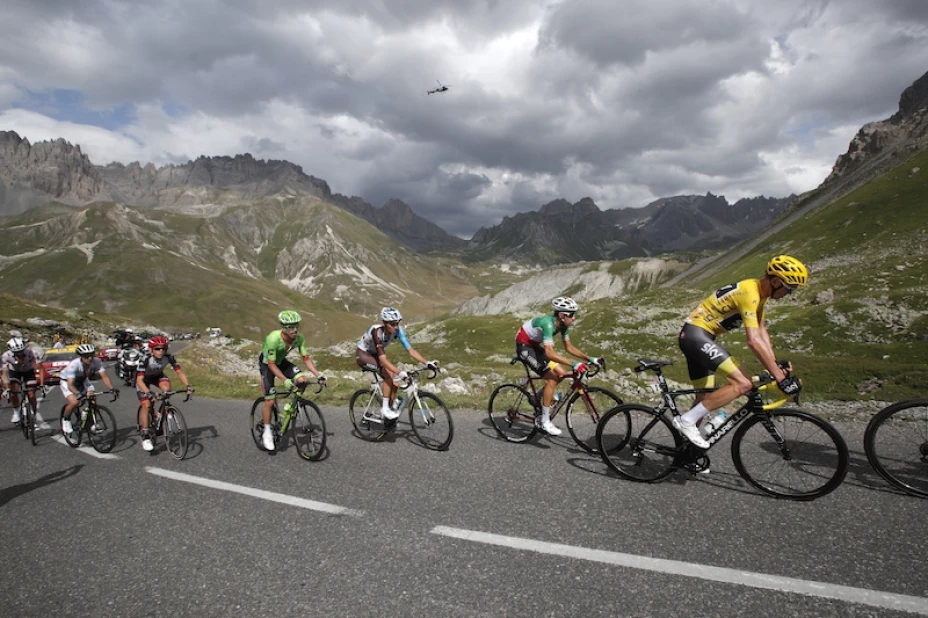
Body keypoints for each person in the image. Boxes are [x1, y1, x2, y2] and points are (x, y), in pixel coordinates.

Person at [673, 254, 808, 449]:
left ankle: (685, 452)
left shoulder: (759, 294)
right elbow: (753, 341)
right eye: (789, 288)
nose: (790, 294)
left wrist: (775, 365)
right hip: (696, 336)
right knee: (743, 383)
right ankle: (686, 421)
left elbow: (761, 332)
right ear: (776, 282)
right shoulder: (750, 293)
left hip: (697, 337)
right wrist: (780, 378)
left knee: (705, 397)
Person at [514, 297, 605, 436]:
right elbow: (549, 353)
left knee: (561, 373)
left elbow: (569, 347)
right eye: (571, 315)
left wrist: (590, 358)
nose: (574, 318)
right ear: (562, 315)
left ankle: (536, 398)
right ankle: (545, 421)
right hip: (524, 347)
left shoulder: (563, 325)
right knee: (551, 379)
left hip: (534, 346)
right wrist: (574, 363)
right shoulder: (548, 324)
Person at [258, 311, 326, 451]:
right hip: (267, 364)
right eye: (290, 327)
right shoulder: (273, 339)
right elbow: (271, 365)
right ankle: (267, 431)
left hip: (281, 362)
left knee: (302, 380)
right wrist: (284, 380)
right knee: (270, 401)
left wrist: (318, 374)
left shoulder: (299, 338)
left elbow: (306, 359)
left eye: (296, 326)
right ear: (283, 328)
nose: (294, 330)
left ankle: (290, 407)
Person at [355, 307, 439, 421]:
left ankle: (391, 407)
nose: (395, 327)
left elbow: (410, 350)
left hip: (375, 355)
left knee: (394, 381)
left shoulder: (398, 331)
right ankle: (385, 409)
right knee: (389, 375)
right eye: (392, 324)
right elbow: (383, 360)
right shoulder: (376, 332)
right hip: (363, 355)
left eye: (397, 324)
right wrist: (400, 372)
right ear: (385, 323)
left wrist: (427, 363)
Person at [136, 335, 193, 452]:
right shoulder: (145, 359)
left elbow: (179, 372)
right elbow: (139, 380)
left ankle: (162, 413)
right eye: (157, 349)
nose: (161, 351)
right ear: (151, 349)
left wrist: (188, 386)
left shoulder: (169, 357)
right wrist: (148, 393)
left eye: (163, 348)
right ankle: (146, 435)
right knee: (146, 404)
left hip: (158, 376)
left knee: (167, 390)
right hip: (143, 380)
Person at [59, 343, 118, 437]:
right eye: (86, 356)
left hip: (82, 380)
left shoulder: (97, 361)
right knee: (74, 402)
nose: (90, 358)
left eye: (92, 355)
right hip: (67, 382)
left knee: (92, 397)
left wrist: (112, 388)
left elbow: (104, 376)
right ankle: (66, 419)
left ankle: (90, 422)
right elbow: (70, 385)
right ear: (81, 357)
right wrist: (78, 394)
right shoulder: (74, 365)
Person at [1, 337, 45, 425]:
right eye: (16, 352)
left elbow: (41, 368)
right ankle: (16, 412)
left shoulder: (31, 352)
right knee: (13, 391)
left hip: (28, 371)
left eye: (21, 351)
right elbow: (3, 373)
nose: (20, 354)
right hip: (14, 372)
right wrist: (6, 387)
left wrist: (42, 384)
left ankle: (34, 413)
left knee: (31, 395)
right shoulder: (6, 356)